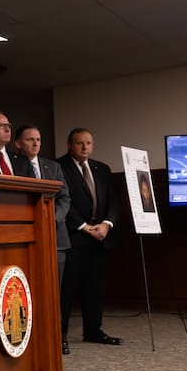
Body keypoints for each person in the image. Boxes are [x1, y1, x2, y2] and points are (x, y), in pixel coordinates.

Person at [58, 128, 123, 347]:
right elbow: (62, 202)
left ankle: (93, 330)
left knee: (95, 287)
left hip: (100, 237)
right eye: (80, 143)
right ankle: (60, 336)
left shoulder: (102, 168)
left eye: (89, 143)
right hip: (74, 236)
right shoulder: (58, 167)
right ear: (70, 145)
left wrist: (107, 224)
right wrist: (83, 226)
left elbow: (114, 201)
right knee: (67, 290)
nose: (85, 147)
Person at [13, 125, 72, 355]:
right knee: (30, 291)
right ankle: (33, 339)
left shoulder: (52, 166)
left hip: (56, 236)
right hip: (26, 236)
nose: (36, 143)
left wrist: (51, 219)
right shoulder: (13, 166)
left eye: (38, 139)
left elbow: (64, 198)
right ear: (18, 144)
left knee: (55, 292)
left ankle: (58, 338)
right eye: (30, 139)